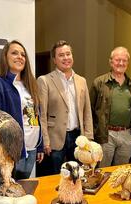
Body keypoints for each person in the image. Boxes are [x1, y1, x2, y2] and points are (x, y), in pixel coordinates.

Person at [0, 40, 43, 179]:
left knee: (23, 187)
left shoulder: (31, 85)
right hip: (11, 151)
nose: (20, 57)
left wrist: (40, 146)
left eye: (23, 54)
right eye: (14, 53)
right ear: (5, 57)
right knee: (9, 191)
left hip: (31, 148)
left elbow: (36, 116)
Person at [37, 40, 93, 175]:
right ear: (54, 60)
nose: (66, 58)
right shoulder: (45, 80)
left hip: (77, 137)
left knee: (77, 176)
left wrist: (88, 138)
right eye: (61, 55)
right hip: (55, 138)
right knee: (56, 177)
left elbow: (87, 112)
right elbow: (41, 114)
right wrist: (45, 141)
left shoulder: (81, 80)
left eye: (68, 54)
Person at [90, 46, 131, 167]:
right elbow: (90, 110)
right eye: (117, 60)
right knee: (103, 171)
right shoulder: (99, 82)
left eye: (124, 60)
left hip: (126, 134)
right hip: (106, 134)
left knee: (121, 172)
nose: (121, 63)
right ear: (111, 62)